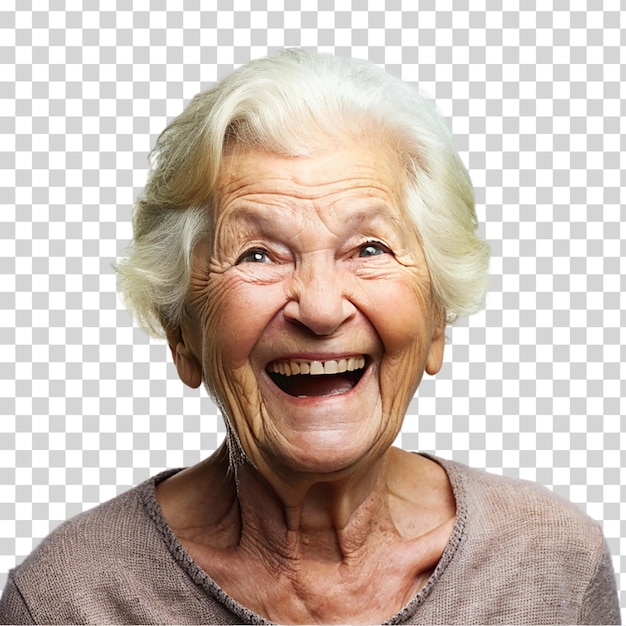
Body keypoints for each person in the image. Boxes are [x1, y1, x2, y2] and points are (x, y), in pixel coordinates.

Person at [0, 49, 620, 625]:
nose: (320, 309)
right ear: (181, 332)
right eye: (258, 255)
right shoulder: (70, 598)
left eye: (368, 248)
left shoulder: (552, 569)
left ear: (437, 321)